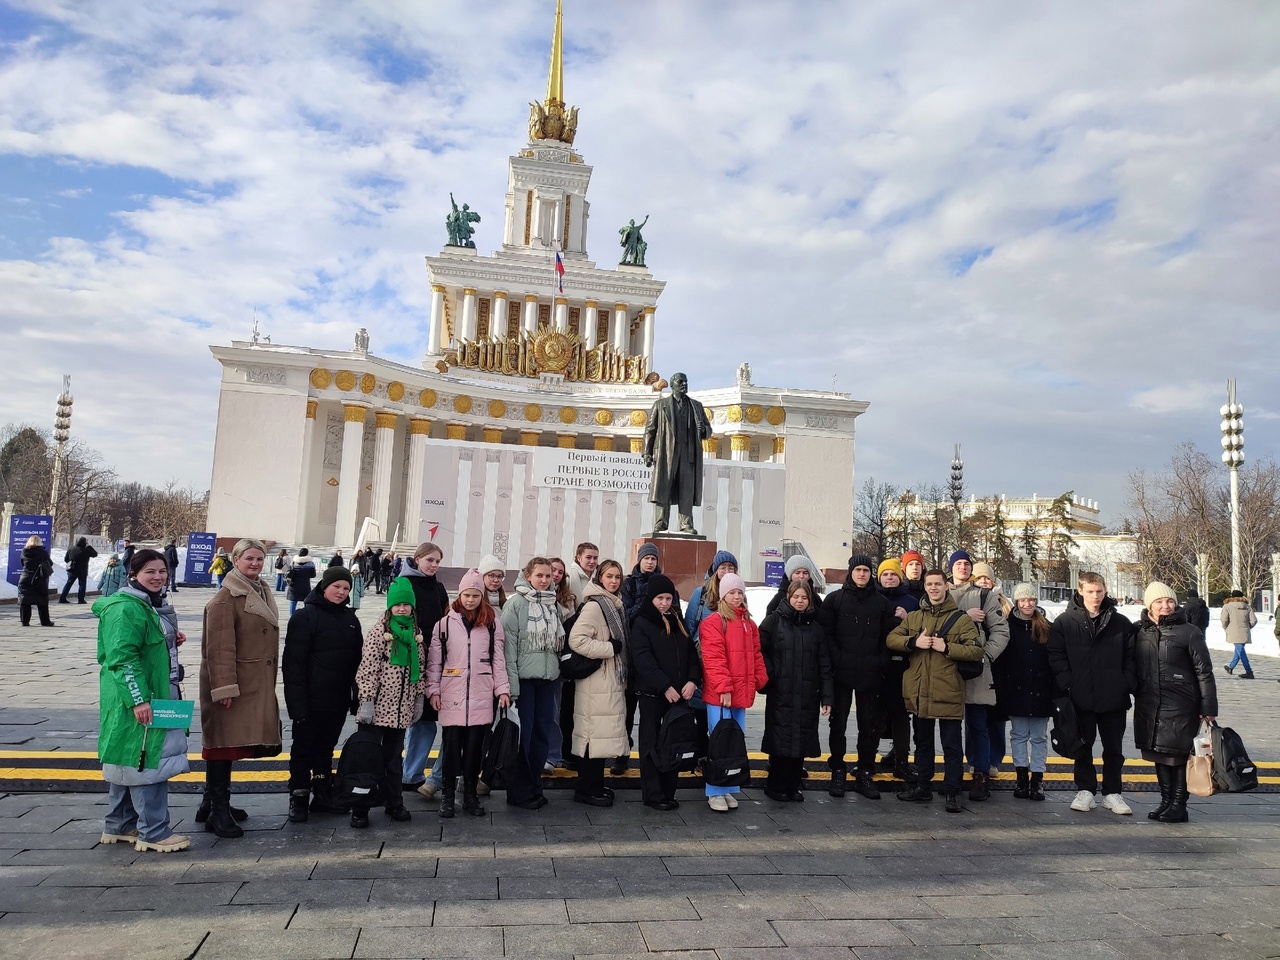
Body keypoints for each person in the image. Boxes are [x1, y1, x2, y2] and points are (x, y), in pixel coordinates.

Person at [95, 548, 191, 853]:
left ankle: (121, 824)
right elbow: (123, 659)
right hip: (139, 698)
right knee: (149, 761)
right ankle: (154, 831)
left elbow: (142, 648)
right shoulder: (126, 609)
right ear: (133, 574)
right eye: (150, 571)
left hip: (152, 693)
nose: (158, 577)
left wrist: (167, 643)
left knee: (127, 756)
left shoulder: (149, 606)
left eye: (162, 571)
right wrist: (139, 700)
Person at [200, 538, 281, 838]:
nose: (255, 564)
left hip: (250, 682)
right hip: (233, 685)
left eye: (259, 559)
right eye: (249, 558)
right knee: (222, 745)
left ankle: (210, 803)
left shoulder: (258, 589)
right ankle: (218, 812)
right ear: (235, 560)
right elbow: (218, 649)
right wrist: (224, 689)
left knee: (230, 743)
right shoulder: (225, 598)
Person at [887, 569, 984, 813]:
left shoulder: (961, 619)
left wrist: (947, 646)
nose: (933, 588)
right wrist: (913, 642)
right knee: (923, 744)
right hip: (920, 689)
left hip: (948, 689)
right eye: (929, 584)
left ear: (946, 586)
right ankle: (923, 787)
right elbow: (892, 639)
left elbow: (976, 651)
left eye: (938, 584)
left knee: (951, 745)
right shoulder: (915, 617)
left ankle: (952, 791)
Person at [1047, 571, 1136, 815]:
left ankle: (1112, 792)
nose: (1095, 596)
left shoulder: (1120, 623)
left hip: (1113, 697)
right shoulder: (1065, 622)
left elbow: (1131, 657)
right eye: (1090, 591)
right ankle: (1085, 789)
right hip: (1080, 696)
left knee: (1113, 748)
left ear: (1105, 591)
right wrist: (1069, 682)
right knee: (1082, 746)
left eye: (1099, 591)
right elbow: (1056, 655)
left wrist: (1124, 682)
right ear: (1080, 592)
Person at [282, 565, 363, 822]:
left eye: (346, 588)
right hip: (310, 699)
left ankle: (322, 793)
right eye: (336, 587)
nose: (341, 592)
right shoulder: (305, 618)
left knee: (326, 748)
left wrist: (355, 697)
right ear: (324, 587)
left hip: (337, 700)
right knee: (303, 749)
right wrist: (297, 705)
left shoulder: (351, 620)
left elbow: (356, 664)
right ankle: (298, 796)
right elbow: (293, 665)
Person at [428, 569, 512, 818]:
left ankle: (470, 795)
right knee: (451, 748)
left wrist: (503, 689)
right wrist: (433, 690)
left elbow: (498, 660)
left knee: (475, 749)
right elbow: (435, 662)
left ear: (481, 596)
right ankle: (447, 795)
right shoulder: (444, 625)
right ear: (460, 594)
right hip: (451, 693)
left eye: (475, 595)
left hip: (481, 694)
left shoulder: (491, 624)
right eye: (467, 595)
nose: (470, 600)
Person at [1133, 582, 1218, 823]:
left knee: (1178, 754)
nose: (1165, 606)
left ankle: (1179, 803)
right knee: (1158, 753)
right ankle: (1165, 800)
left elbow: (1204, 672)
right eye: (1159, 602)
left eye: (1169, 601)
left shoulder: (1189, 631)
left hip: (1181, 702)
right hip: (1150, 702)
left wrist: (1208, 707)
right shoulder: (1140, 630)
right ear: (1150, 604)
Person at [817, 553, 899, 799]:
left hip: (871, 673)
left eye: (866, 570)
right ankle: (838, 770)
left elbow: (889, 637)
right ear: (850, 572)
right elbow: (825, 635)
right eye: (858, 570)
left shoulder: (881, 602)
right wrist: (837, 659)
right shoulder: (834, 600)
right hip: (841, 673)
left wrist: (880, 661)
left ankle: (865, 771)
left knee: (869, 726)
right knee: (838, 725)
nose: (862, 574)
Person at [351, 578, 425, 827]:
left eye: (406, 604)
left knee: (394, 759)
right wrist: (367, 700)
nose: (402, 609)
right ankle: (360, 807)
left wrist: (418, 699)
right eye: (398, 604)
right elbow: (368, 669)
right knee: (367, 757)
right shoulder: (379, 632)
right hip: (377, 708)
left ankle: (394, 801)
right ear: (390, 607)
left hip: (401, 710)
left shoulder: (416, 635)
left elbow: (420, 670)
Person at [698, 572, 768, 812]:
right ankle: (714, 790)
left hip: (740, 693)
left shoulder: (749, 623)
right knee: (719, 741)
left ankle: (728, 786)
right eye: (732, 592)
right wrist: (724, 688)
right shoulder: (714, 622)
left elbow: (756, 654)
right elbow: (713, 659)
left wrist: (759, 678)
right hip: (721, 695)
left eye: (740, 592)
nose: (737, 596)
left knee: (734, 741)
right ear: (723, 595)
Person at [629, 573, 699, 811]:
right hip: (653, 695)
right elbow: (642, 659)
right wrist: (664, 686)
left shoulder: (677, 620)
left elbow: (691, 654)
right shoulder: (642, 622)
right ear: (651, 598)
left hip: (678, 695)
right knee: (651, 744)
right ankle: (653, 793)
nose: (664, 603)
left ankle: (669, 791)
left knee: (673, 742)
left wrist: (692, 680)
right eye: (660, 598)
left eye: (669, 598)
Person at [501, 557, 565, 810]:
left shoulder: (552, 605)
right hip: (525, 683)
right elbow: (508, 649)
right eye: (539, 575)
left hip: (547, 681)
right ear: (528, 576)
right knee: (523, 739)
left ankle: (534, 786)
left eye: (548, 576)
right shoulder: (516, 604)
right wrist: (512, 688)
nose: (544, 580)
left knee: (541, 736)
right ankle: (519, 791)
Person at [760, 579, 832, 802]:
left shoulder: (816, 628)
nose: (800, 601)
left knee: (801, 738)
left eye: (804, 597)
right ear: (788, 597)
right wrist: (772, 675)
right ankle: (776, 785)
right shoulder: (773, 622)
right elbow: (760, 651)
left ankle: (792, 785)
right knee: (781, 738)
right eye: (796, 597)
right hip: (781, 691)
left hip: (808, 693)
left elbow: (824, 664)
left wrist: (827, 696)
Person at [567, 560, 630, 807]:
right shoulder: (596, 606)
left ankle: (594, 785)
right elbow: (577, 640)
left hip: (607, 680)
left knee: (600, 737)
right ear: (599, 578)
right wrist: (609, 648)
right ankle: (585, 790)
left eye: (617, 577)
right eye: (609, 576)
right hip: (596, 681)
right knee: (592, 738)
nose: (613, 581)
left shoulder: (614, 604)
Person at [948, 551, 1010, 802]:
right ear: (951, 568)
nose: (962, 567)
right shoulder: (940, 591)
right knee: (949, 727)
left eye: (966, 564)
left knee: (978, 724)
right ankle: (952, 775)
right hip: (947, 668)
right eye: (958, 563)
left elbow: (1000, 631)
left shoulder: (984, 595)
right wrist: (965, 616)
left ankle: (981, 774)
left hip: (977, 670)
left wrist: (986, 656)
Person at [991, 584, 1054, 801]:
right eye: (1023, 601)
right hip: (1016, 689)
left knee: (1038, 737)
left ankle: (1037, 779)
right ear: (1016, 602)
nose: (1027, 604)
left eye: (1031, 600)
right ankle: (1021, 778)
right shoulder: (1008, 626)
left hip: (1040, 689)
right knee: (1018, 735)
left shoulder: (1046, 626)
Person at [400, 542, 452, 800]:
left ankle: (417, 773)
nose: (433, 565)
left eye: (437, 561)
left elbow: (445, 619)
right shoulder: (404, 584)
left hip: (438, 659)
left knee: (431, 717)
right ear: (417, 559)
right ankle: (411, 773)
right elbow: (399, 618)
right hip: (414, 658)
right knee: (421, 721)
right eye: (429, 560)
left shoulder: (439, 587)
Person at [642, 371, 713, 536]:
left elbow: (708, 430)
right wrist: (647, 452)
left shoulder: (696, 406)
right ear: (672, 384)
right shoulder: (660, 405)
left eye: (686, 382)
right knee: (663, 488)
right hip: (666, 454)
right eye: (680, 382)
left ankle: (686, 524)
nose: (684, 385)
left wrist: (705, 430)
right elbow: (649, 430)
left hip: (688, 455)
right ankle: (661, 522)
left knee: (686, 490)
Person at [616, 543, 663, 774]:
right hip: (630, 654)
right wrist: (646, 604)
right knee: (625, 711)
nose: (650, 562)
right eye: (647, 558)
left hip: (654, 656)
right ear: (639, 559)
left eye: (654, 558)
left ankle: (651, 757)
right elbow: (625, 614)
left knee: (650, 716)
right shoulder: (629, 583)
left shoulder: (663, 584)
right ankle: (621, 755)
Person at [874, 558, 918, 779]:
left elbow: (922, 630)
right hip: (876, 666)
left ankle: (902, 760)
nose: (889, 578)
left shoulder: (910, 601)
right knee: (874, 715)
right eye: (885, 575)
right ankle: (867, 761)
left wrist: (906, 618)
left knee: (901, 715)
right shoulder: (872, 598)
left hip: (903, 667)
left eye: (892, 574)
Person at [546, 556, 577, 771]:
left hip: (558, 661)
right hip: (537, 661)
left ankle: (553, 754)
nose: (555, 575)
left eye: (559, 572)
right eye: (552, 571)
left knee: (555, 710)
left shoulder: (568, 600)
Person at [685, 550, 738, 638]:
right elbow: (689, 625)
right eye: (723, 567)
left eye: (731, 568)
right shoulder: (701, 593)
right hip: (704, 647)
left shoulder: (739, 596)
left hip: (731, 648)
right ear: (715, 570)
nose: (727, 571)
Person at [17, 534, 55, 628]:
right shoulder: (42, 552)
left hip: (25, 578)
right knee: (42, 601)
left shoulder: (24, 551)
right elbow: (50, 563)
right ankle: (45, 621)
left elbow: (22, 562)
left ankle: (25, 621)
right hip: (39, 579)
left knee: (25, 601)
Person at [1221, 590, 1257, 679]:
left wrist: (1226, 627)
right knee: (1239, 649)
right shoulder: (1247, 607)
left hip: (1233, 631)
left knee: (1240, 651)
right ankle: (1230, 667)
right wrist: (1248, 627)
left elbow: (1224, 619)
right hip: (1244, 631)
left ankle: (1249, 671)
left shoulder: (1227, 606)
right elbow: (1254, 620)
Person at [60, 535, 99, 604]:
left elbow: (66, 559)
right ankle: (81, 599)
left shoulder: (71, 548)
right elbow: (95, 554)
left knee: (68, 584)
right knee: (82, 585)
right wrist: (89, 547)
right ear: (85, 543)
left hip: (72, 569)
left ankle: (62, 598)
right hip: (82, 571)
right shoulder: (86, 550)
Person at [285, 547, 316, 618]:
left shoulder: (294, 563)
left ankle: (292, 616)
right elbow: (313, 575)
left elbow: (289, 573)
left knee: (293, 601)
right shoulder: (310, 564)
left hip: (294, 585)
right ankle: (306, 615)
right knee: (306, 601)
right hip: (305, 585)